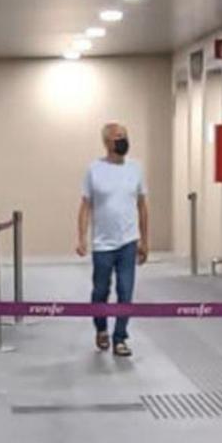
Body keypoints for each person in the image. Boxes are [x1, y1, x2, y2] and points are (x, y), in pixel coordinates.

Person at [76, 123, 151, 358]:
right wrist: (81, 238)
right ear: (107, 142)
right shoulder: (94, 170)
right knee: (100, 290)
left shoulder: (136, 169)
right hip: (102, 244)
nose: (123, 140)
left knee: (125, 290)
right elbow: (85, 206)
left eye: (125, 136)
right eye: (118, 137)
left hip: (128, 241)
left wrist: (145, 240)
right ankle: (101, 329)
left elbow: (142, 206)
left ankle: (120, 337)